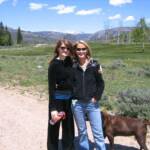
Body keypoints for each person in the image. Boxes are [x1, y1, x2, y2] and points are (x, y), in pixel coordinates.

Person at [71, 40, 106, 150]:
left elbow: (101, 83)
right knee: (82, 132)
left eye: (83, 49)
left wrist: (96, 97)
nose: (81, 51)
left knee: (98, 133)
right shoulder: (72, 65)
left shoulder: (94, 64)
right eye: (78, 49)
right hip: (77, 104)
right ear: (75, 51)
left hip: (92, 104)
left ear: (87, 50)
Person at [47, 39, 74, 150]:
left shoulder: (70, 62)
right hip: (57, 100)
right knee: (54, 128)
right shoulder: (53, 65)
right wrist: (53, 108)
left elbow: (85, 59)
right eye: (63, 48)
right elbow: (51, 87)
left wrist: (96, 65)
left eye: (68, 48)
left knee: (68, 129)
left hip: (68, 101)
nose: (65, 50)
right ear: (58, 49)